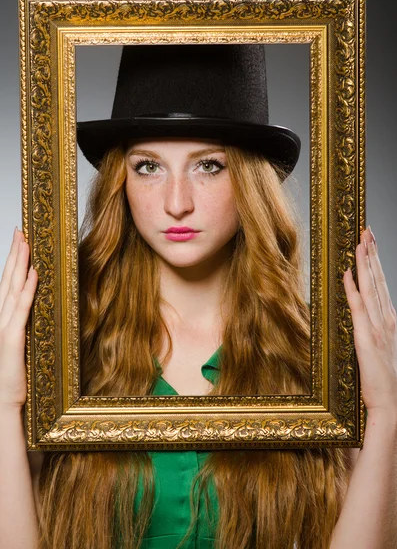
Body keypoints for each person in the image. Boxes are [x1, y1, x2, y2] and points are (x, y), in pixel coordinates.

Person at [0, 44, 396, 549]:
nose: (176, 203)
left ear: (251, 180)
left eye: (208, 166)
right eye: (149, 167)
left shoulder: (314, 356)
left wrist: (385, 409)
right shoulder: (67, 347)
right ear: (120, 180)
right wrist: (5, 404)